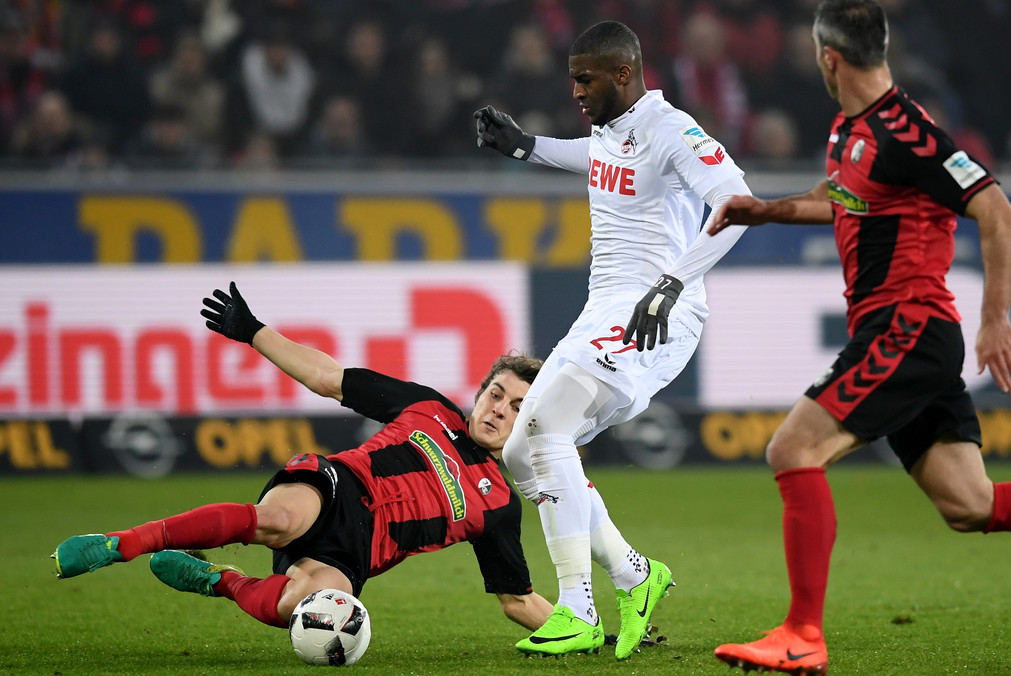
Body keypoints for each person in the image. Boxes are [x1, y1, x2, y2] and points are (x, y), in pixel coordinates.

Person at [704, 2, 1011, 674]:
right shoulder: (852, 130)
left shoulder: (911, 133)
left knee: (793, 449)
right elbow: (846, 197)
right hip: (903, 332)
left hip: (908, 325)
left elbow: (999, 211)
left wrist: (995, 318)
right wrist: (768, 211)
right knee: (970, 503)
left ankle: (802, 634)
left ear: (827, 57)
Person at [474, 19, 752, 659]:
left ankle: (576, 607)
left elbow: (737, 202)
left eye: (584, 78)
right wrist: (525, 147)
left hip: (655, 311)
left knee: (543, 431)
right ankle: (634, 575)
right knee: (523, 450)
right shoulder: (611, 134)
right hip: (607, 310)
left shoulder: (671, 129)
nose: (574, 89)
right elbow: (593, 158)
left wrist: (672, 283)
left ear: (623, 74)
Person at [53, 281, 554, 636]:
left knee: (299, 607)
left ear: (528, 422)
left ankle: (219, 580)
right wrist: (254, 332)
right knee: (279, 520)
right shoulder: (429, 406)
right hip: (337, 487)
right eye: (495, 393)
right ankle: (121, 543)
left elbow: (517, 599)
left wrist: (584, 630)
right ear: (481, 390)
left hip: (355, 554)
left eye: (516, 407)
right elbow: (328, 378)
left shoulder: (501, 503)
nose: (498, 410)